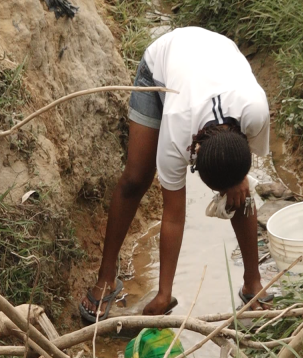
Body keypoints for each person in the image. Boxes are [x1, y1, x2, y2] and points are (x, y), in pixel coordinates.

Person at [79, 27, 271, 323]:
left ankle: (252, 283)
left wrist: (236, 183)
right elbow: (173, 216)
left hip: (218, 57)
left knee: (240, 192)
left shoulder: (255, 112)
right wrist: (163, 293)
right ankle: (107, 277)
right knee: (135, 178)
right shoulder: (176, 133)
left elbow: (241, 168)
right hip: (164, 64)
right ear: (192, 153)